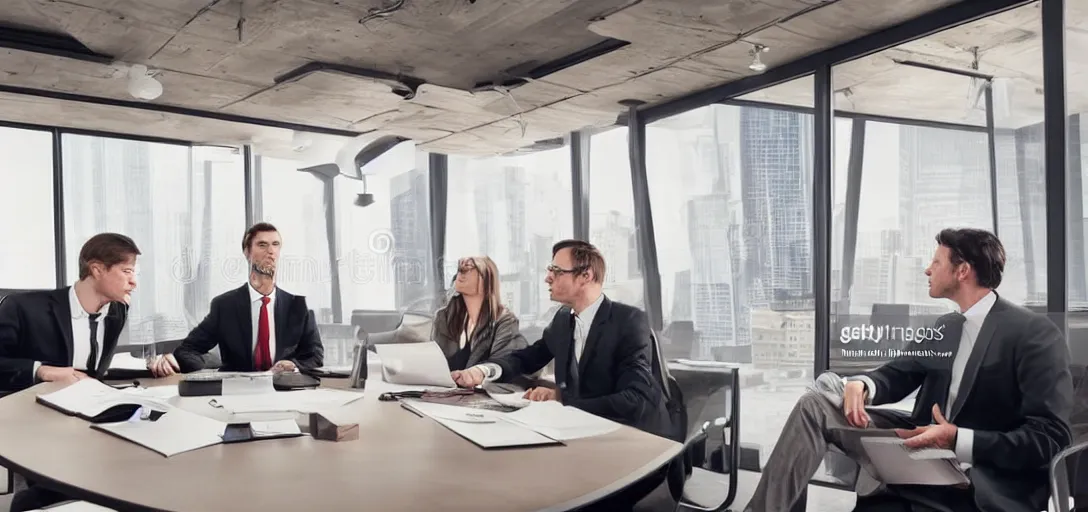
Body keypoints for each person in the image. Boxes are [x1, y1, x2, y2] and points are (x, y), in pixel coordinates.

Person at [744, 228, 1074, 512]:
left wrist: (956, 439)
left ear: (962, 271)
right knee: (814, 406)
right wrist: (863, 385)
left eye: (936, 262)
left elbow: (1050, 439)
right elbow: (898, 374)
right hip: (920, 449)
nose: (927, 270)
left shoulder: (1034, 334)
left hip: (977, 479)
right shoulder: (946, 327)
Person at [450, 240, 673, 509]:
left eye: (556, 270)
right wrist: (482, 370)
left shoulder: (629, 321)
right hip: (585, 437)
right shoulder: (562, 320)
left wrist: (561, 398)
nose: (548, 277)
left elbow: (635, 400)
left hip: (637, 450)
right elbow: (528, 356)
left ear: (585, 276)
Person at [0, 233, 140, 512]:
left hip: (90, 420)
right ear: (96, 269)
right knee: (51, 492)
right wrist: (42, 371)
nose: (134, 281)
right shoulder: (24, 308)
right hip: (36, 423)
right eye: (127, 271)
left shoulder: (117, 311)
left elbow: (95, 372)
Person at [149, 223, 323, 376]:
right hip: (238, 395)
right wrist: (208, 374)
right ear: (247, 252)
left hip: (285, 392)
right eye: (262, 245)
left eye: (275, 245)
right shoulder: (225, 306)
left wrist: (293, 365)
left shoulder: (298, 307)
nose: (270, 251)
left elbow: (315, 356)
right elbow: (187, 350)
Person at [432, 256, 528, 372]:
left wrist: (476, 374)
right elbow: (435, 364)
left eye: (470, 268)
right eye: (460, 269)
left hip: (484, 389)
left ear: (486, 281)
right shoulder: (444, 318)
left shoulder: (504, 321)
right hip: (446, 388)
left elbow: (503, 366)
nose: (461, 273)